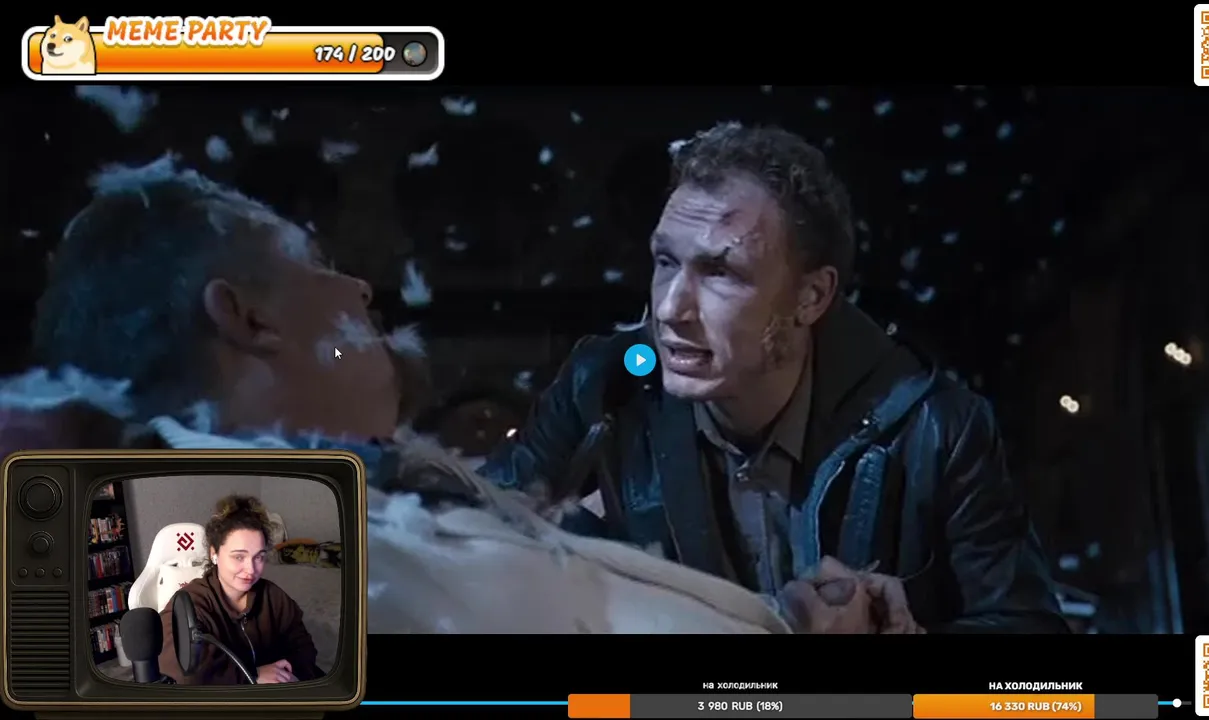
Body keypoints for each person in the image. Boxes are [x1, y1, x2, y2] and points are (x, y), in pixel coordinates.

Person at [0, 155, 805, 634]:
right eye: (317, 262)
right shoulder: (230, 577)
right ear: (247, 318)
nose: (357, 286)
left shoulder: (354, 513)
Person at [482, 122, 1070, 634]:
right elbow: (469, 535)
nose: (670, 308)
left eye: (720, 272)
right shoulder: (605, 389)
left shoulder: (936, 430)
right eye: (665, 262)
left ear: (811, 297)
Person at [158, 495, 321, 684]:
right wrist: (252, 676)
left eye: (259, 557)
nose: (251, 570)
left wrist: (291, 676)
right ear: (214, 554)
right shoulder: (190, 603)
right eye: (239, 557)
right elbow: (182, 672)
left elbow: (304, 647)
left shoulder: (274, 598)